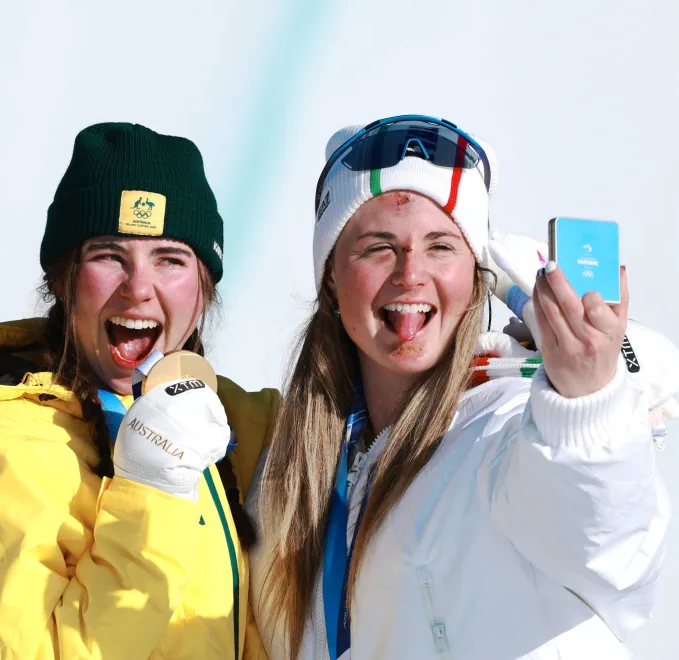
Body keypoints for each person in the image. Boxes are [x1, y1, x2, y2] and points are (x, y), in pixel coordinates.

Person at [249, 115, 670, 659]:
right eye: (378, 246)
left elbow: (611, 554)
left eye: (441, 247)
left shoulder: (505, 426)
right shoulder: (287, 479)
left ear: (476, 274)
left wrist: (586, 405)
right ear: (331, 274)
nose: (410, 273)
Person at [0, 122, 278, 659]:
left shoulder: (242, 428)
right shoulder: (3, 439)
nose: (138, 288)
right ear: (63, 280)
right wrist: (153, 486)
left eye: (170, 259)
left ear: (204, 290)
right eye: (109, 256)